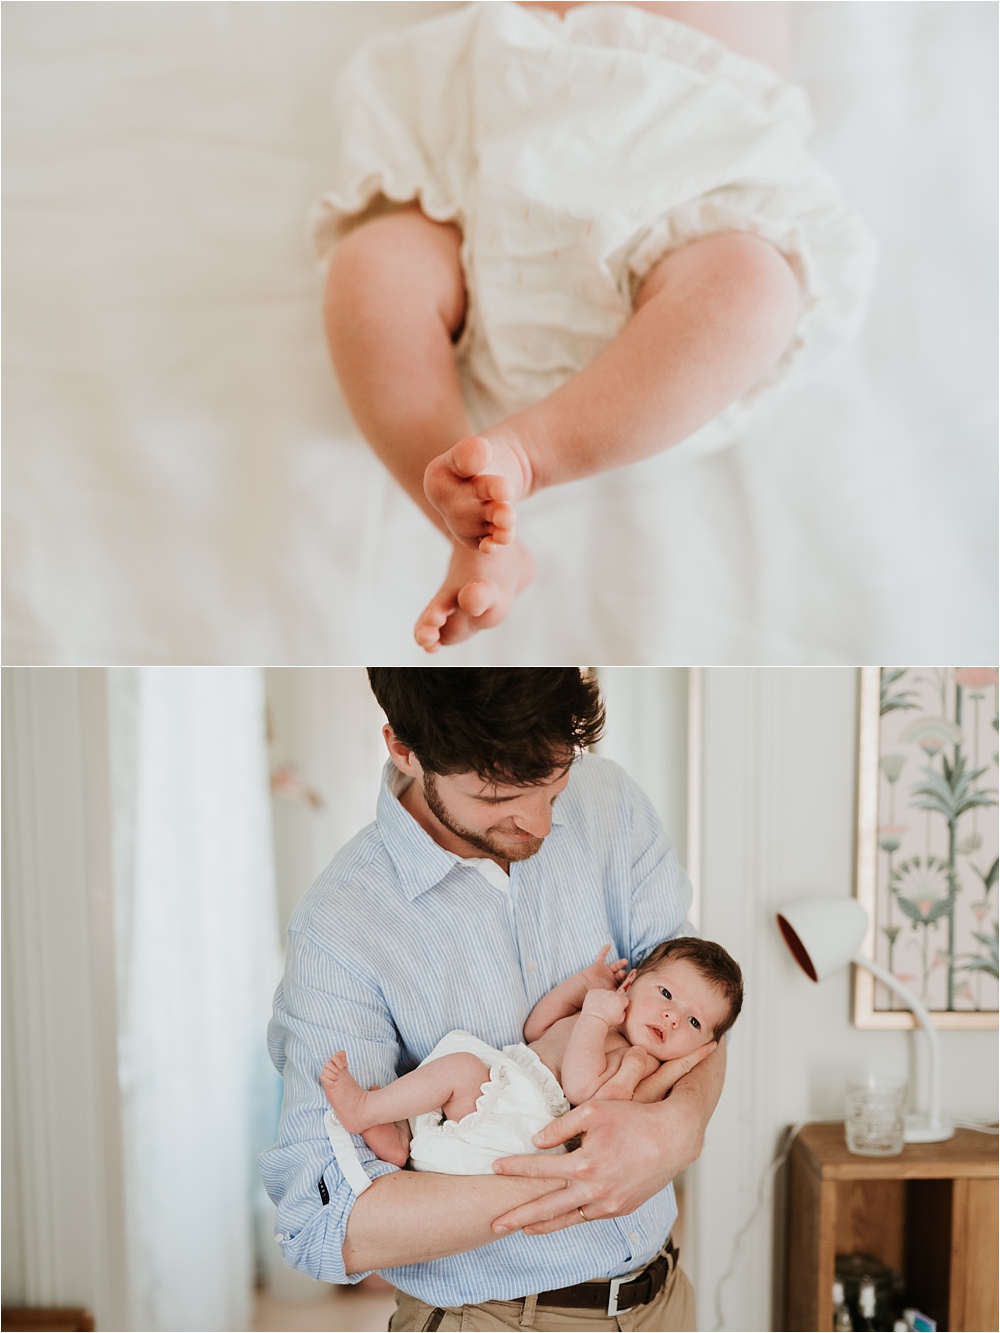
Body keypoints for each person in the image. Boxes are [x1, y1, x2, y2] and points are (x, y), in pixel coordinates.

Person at [316, 3, 876, 651]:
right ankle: (474, 525)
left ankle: (529, 455)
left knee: (752, 286)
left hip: (686, 170)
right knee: (372, 270)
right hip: (498, 140)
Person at [261, 668, 730, 1331]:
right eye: (499, 794)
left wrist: (680, 1127)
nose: (539, 822)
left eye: (554, 782)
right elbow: (322, 1222)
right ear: (403, 748)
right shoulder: (340, 926)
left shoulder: (609, 800)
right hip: (489, 1318)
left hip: (664, 1299)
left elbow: (699, 1006)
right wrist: (581, 1177)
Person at [320, 937, 742, 1174]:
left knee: (461, 1070)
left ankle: (365, 1109)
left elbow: (582, 1090)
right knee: (458, 1056)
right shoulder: (602, 1012)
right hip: (510, 1080)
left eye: (693, 1023)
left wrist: (595, 1017)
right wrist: (581, 986)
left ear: (706, 1045)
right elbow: (536, 1028)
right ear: (630, 982)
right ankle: (400, 1139)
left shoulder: (640, 1060)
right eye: (667, 994)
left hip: (526, 1117)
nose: (671, 1016)